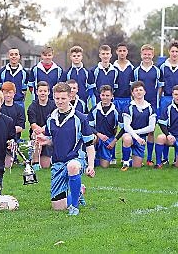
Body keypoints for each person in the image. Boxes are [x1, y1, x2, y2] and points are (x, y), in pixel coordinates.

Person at [36, 82, 95, 216]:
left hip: (76, 159)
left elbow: (89, 144)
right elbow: (54, 140)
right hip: (58, 162)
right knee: (58, 207)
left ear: (70, 97)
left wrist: (91, 165)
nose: (60, 101)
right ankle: (78, 192)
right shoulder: (51, 118)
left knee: (73, 166)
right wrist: (45, 141)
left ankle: (74, 207)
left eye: (63, 98)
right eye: (57, 98)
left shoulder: (80, 118)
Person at [132, 44, 163, 166]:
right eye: (145, 54)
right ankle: (135, 156)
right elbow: (133, 88)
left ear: (153, 55)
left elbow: (160, 88)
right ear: (141, 55)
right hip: (138, 105)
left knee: (151, 131)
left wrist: (156, 100)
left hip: (152, 105)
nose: (147, 56)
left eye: (149, 54)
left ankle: (149, 158)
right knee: (136, 130)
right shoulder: (136, 71)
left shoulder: (157, 70)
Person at [158, 40, 178, 164]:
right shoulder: (163, 67)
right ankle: (164, 158)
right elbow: (160, 86)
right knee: (166, 127)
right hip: (166, 99)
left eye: (176, 51)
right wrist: (159, 100)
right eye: (172, 51)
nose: (174, 53)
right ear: (169, 52)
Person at [119, 81, 157, 170]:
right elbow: (127, 127)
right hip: (131, 136)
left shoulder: (150, 108)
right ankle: (125, 162)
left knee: (137, 166)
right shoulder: (128, 107)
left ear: (145, 92)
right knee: (127, 138)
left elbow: (151, 127)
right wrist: (136, 137)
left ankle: (133, 159)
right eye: (136, 90)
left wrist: (138, 134)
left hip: (141, 138)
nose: (139, 92)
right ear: (132, 93)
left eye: (140, 90)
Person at [88, 85, 120, 168]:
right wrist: (98, 134)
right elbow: (89, 126)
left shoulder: (116, 110)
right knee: (92, 138)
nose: (105, 97)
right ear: (100, 96)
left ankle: (99, 158)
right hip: (97, 137)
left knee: (104, 166)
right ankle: (91, 156)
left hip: (108, 139)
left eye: (107, 95)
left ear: (112, 96)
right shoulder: (94, 109)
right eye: (103, 95)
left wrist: (114, 141)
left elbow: (124, 128)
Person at [27, 81, 56, 168]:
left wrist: (44, 130)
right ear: (36, 92)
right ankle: (35, 162)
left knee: (45, 166)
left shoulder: (54, 106)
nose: (42, 93)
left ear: (49, 92)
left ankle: (50, 158)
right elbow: (33, 125)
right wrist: (40, 133)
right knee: (37, 135)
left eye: (45, 91)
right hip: (36, 134)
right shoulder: (32, 106)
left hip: (49, 134)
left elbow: (53, 123)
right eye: (40, 91)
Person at [0, 82, 25, 168]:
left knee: (7, 165)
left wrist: (8, 132)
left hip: (13, 139)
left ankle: (13, 156)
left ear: (14, 93)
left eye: (10, 92)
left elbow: (20, 127)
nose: (8, 95)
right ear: (2, 93)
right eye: (5, 92)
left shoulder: (19, 109)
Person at [113, 43, 135, 113]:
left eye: (124, 51)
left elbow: (133, 86)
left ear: (127, 52)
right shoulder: (112, 68)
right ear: (116, 52)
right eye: (120, 51)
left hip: (128, 99)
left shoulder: (132, 68)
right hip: (115, 100)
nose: (122, 53)